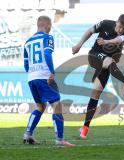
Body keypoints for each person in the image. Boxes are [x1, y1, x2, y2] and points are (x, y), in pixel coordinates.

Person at [72, 14, 124, 139]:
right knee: (109, 60)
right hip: (94, 55)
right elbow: (90, 31)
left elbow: (119, 40)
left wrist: (107, 41)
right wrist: (79, 45)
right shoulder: (105, 23)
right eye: (119, 26)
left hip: (107, 65)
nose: (120, 30)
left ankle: (84, 128)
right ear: (117, 22)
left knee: (96, 93)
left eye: (123, 28)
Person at [23, 16, 75, 147]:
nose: (50, 29)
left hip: (32, 77)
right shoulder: (47, 37)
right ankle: (59, 139)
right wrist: (52, 71)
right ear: (46, 25)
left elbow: (25, 63)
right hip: (44, 76)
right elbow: (47, 54)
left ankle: (28, 134)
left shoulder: (27, 42)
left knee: (41, 107)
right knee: (57, 106)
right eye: (50, 26)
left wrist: (32, 73)